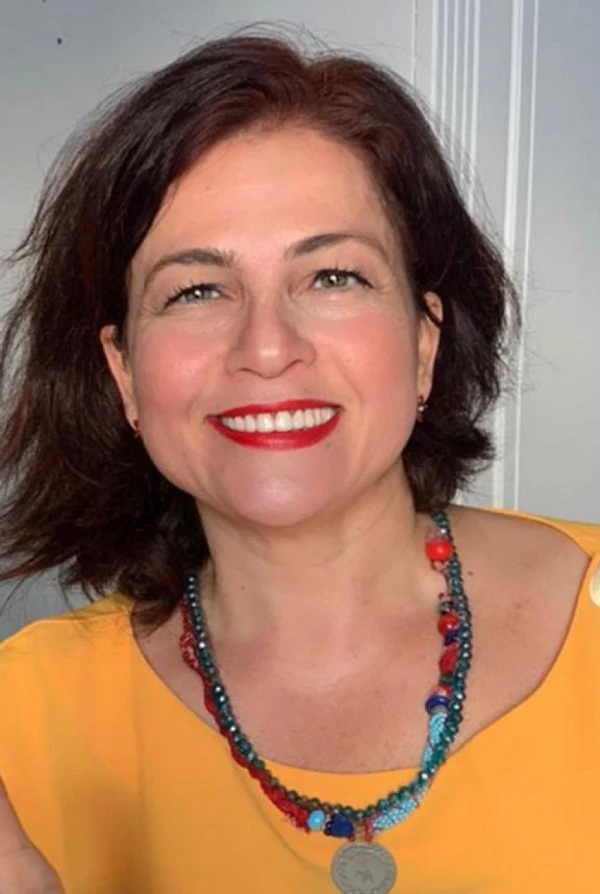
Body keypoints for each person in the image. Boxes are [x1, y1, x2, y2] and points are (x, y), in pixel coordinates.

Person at [0, 31, 598, 894]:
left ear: (424, 343)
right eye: (196, 290)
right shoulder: (22, 717)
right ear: (123, 373)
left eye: (333, 277)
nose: (267, 347)